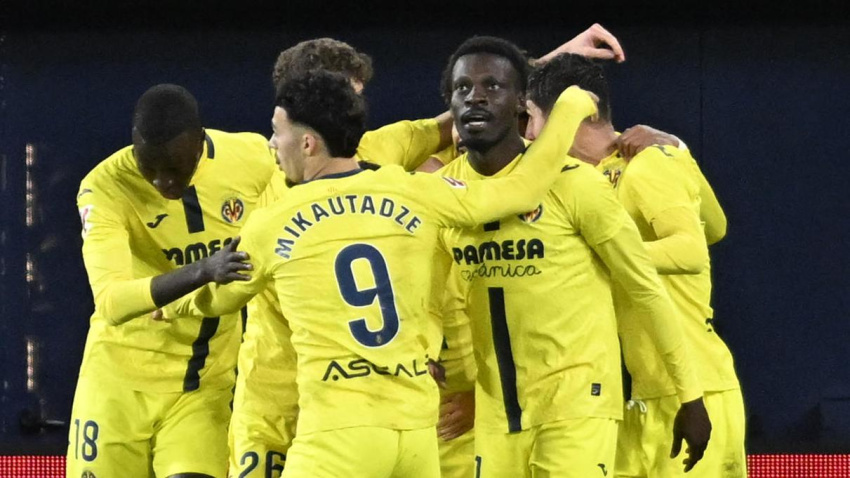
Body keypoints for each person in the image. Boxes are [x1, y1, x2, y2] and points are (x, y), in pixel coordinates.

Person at [161, 69, 598, 477]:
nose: (273, 144)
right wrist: (572, 107)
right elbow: (522, 188)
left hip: (337, 435)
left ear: (309, 143)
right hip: (415, 435)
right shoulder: (411, 189)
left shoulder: (272, 222)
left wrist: (170, 304)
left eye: (277, 132)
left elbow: (220, 299)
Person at [436, 36, 711, 478]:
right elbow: (436, 293)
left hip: (576, 408)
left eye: (493, 86)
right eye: (463, 88)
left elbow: (645, 288)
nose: (476, 97)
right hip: (494, 417)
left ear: (521, 105)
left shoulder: (575, 184)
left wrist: (691, 396)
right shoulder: (443, 193)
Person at [525, 53, 745, 477]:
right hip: (643, 395)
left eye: (534, 118)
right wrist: (680, 149)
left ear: (578, 111)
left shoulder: (645, 165)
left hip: (695, 390)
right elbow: (714, 227)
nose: (531, 134)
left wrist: (599, 255)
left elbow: (695, 248)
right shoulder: (593, 176)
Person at [68, 84, 277, 478]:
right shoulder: (104, 187)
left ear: (201, 141)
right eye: (150, 169)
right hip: (118, 384)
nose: (163, 183)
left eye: (176, 169)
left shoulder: (251, 157)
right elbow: (111, 303)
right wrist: (203, 270)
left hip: (201, 386)